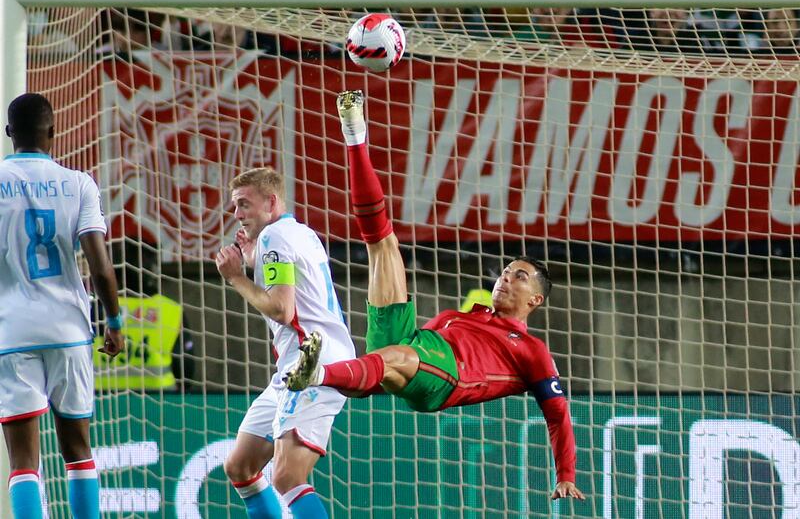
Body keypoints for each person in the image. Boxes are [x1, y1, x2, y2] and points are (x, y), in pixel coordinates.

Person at [286, 90, 585, 502]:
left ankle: (315, 374)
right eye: (505, 272)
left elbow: (557, 414)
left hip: (449, 378)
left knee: (395, 357)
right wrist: (360, 382)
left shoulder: (531, 349)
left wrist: (565, 473)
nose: (505, 279)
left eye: (519, 277)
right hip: (420, 348)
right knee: (384, 245)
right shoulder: (465, 316)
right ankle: (355, 136)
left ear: (535, 300)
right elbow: (391, 367)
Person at [0, 93, 125, 519]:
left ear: (8, 133)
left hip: (12, 331)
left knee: (23, 463)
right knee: (78, 451)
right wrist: (114, 320)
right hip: (70, 330)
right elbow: (101, 267)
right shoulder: (79, 183)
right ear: (54, 131)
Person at [215, 167, 356, 518]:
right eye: (235, 206)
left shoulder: (273, 238)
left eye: (244, 204)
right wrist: (253, 264)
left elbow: (281, 308)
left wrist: (236, 277)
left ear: (271, 202)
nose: (237, 215)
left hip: (313, 364)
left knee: (287, 475)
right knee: (241, 466)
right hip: (297, 366)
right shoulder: (299, 232)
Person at [92, 241, 195, 392]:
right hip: (161, 400)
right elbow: (186, 367)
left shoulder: (94, 307)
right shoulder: (170, 310)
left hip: (101, 400)